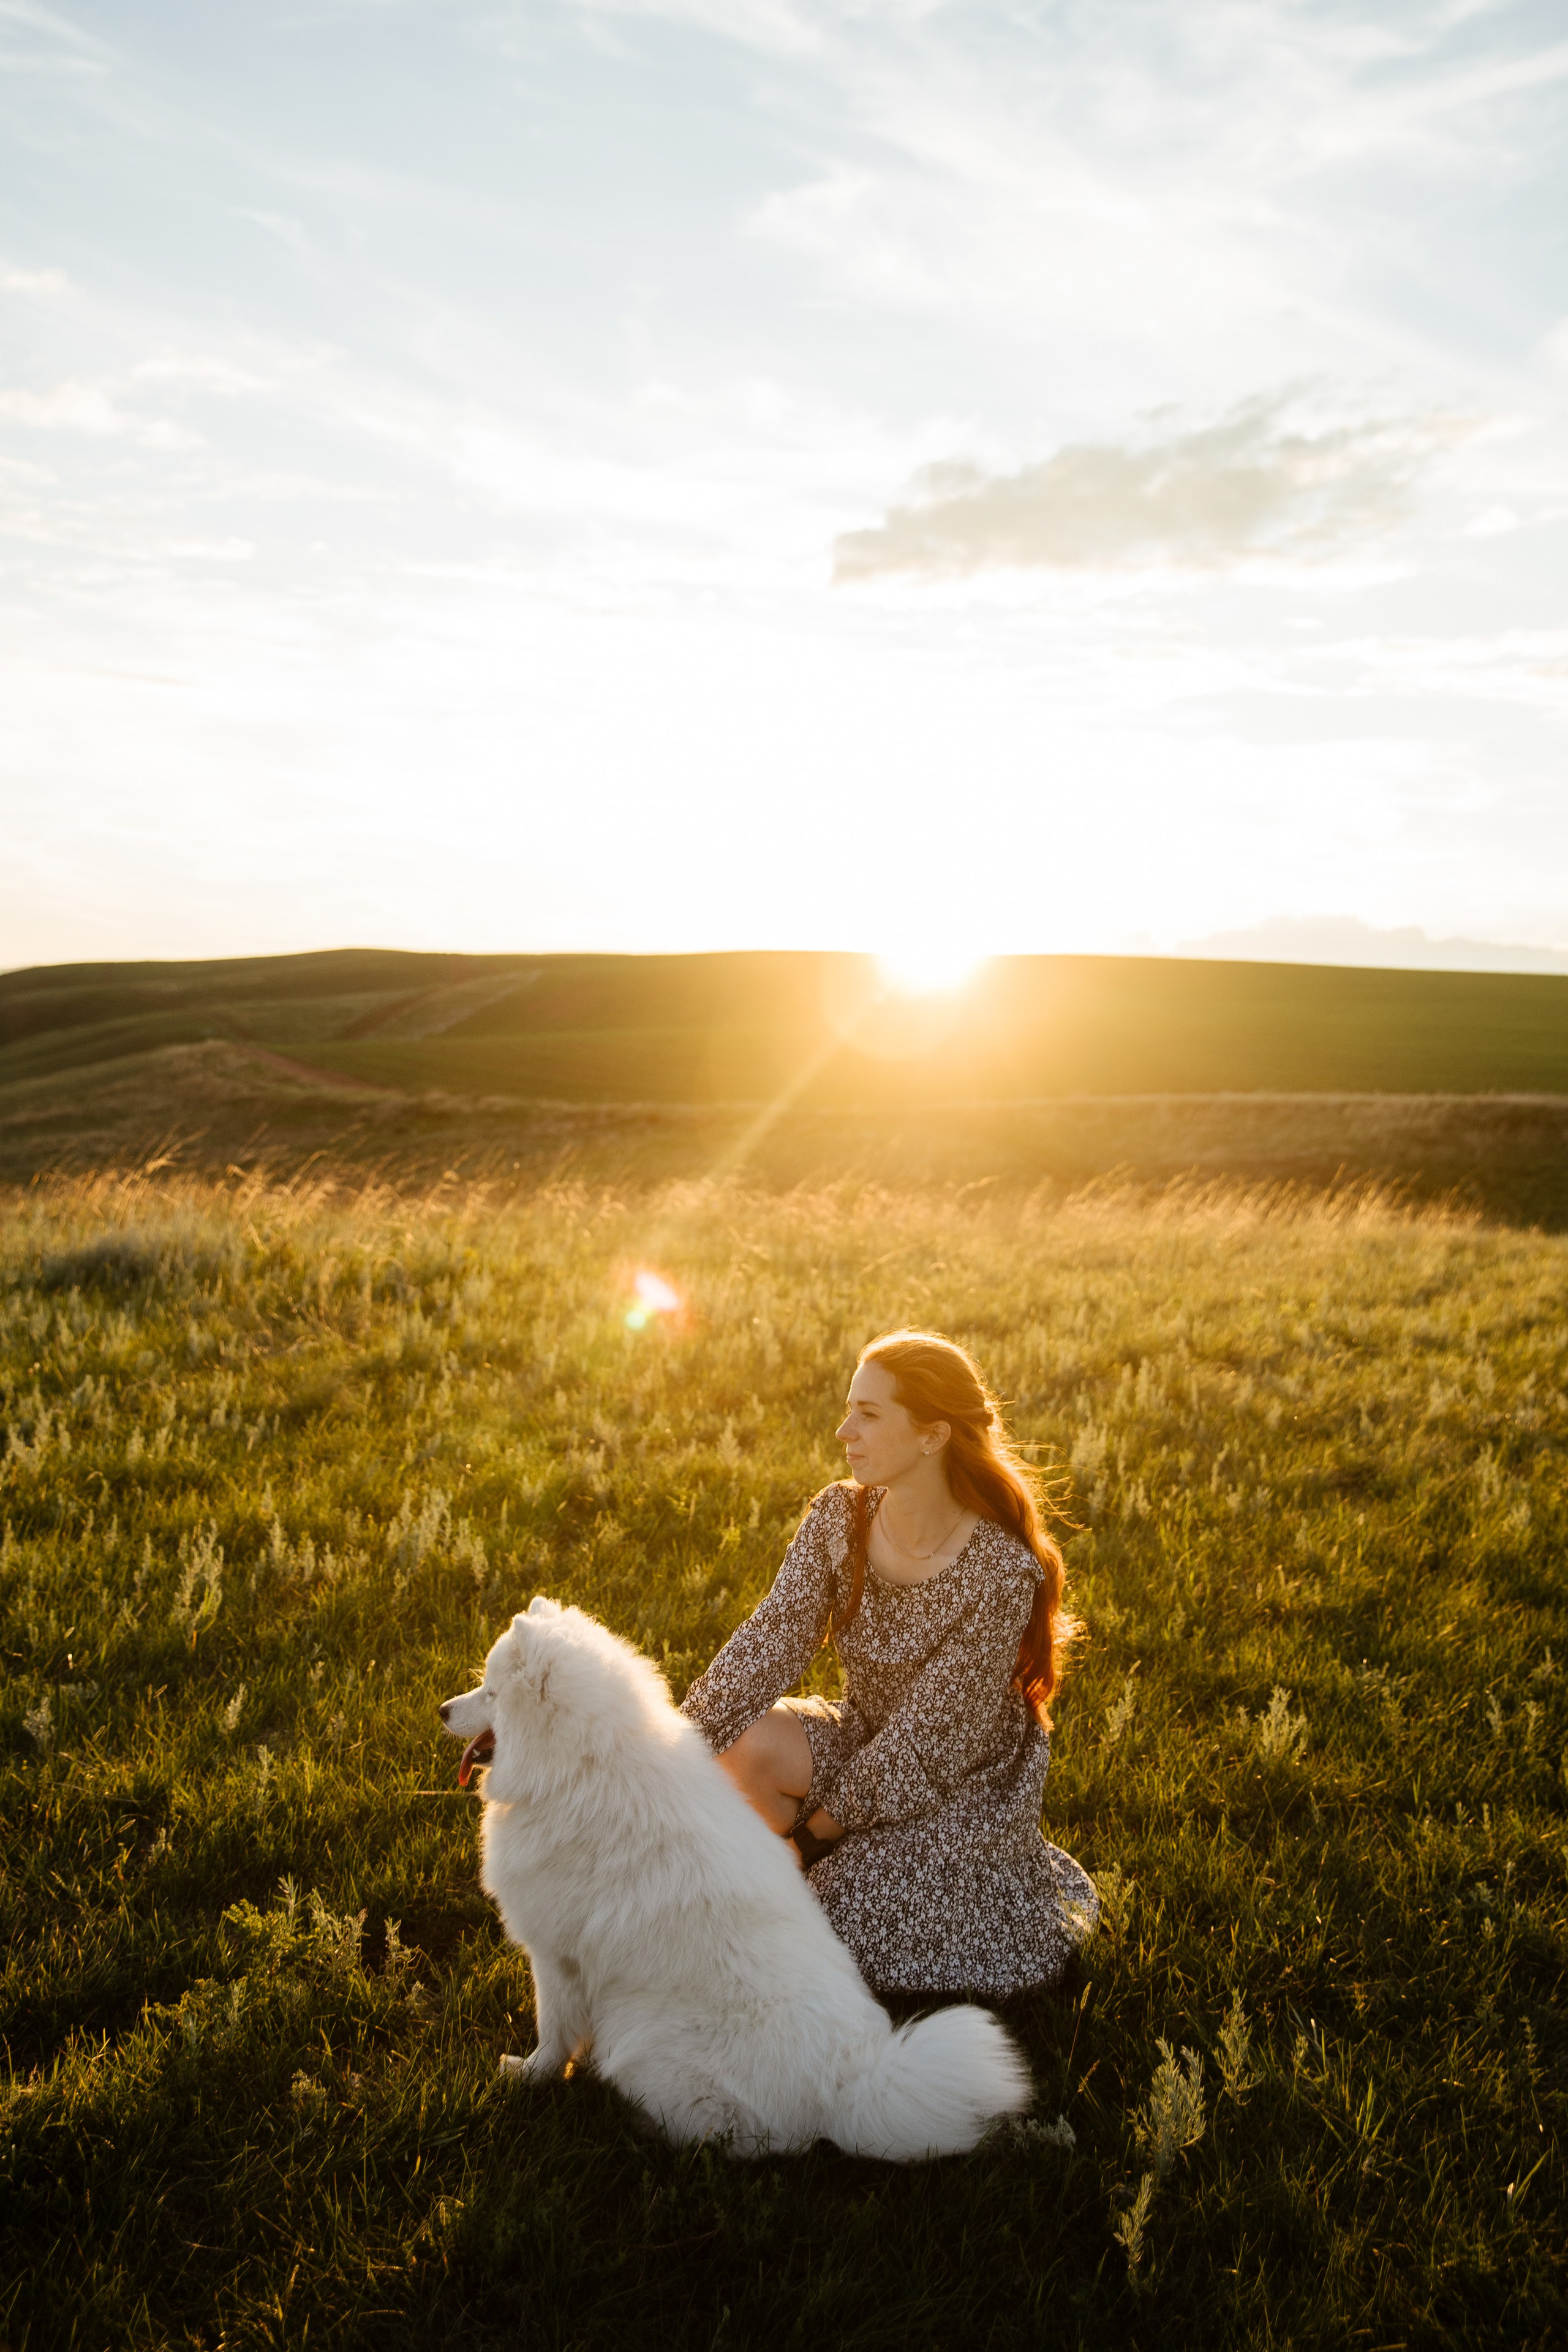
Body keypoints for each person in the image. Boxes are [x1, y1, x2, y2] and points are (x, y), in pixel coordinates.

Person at [679, 1329, 1097, 1997]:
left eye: (868, 1414)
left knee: (840, 1915)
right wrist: (664, 1754)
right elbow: (769, 1642)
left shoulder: (1000, 1570)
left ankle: (798, 1889)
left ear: (932, 1435)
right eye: (849, 1408)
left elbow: (928, 1744)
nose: (844, 1431)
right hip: (865, 1733)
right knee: (742, 1746)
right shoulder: (838, 1516)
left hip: (961, 1780)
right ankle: (763, 1892)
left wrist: (812, 1842)